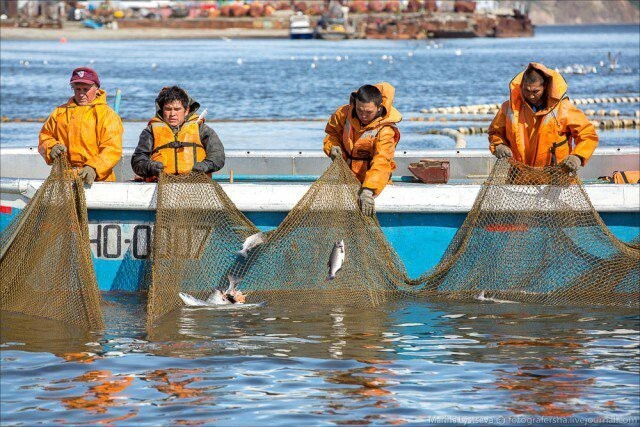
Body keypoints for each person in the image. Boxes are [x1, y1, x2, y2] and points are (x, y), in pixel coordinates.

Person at [488, 62, 598, 172]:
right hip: (520, 179)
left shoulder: (564, 108)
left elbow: (587, 135)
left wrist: (577, 157)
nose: (530, 95)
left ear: (545, 87)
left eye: (535, 91)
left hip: (556, 179)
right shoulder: (508, 108)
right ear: (521, 86)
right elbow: (495, 132)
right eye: (527, 90)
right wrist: (499, 145)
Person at [323, 82, 402, 217]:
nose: (363, 115)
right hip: (346, 178)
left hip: (374, 182)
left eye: (368, 112)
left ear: (379, 108)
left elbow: (382, 161)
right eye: (359, 110)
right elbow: (332, 134)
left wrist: (368, 190)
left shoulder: (386, 130)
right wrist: (332, 148)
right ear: (355, 104)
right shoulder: (343, 114)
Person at [38, 67, 123, 184]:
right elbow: (44, 138)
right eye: (77, 89)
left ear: (96, 89)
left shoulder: (108, 115)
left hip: (98, 180)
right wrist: (51, 148)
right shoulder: (59, 112)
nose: (81, 94)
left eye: (85, 89)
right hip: (64, 180)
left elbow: (112, 149)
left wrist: (94, 168)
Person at [131, 86, 225, 179]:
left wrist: (205, 165)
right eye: (168, 109)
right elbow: (138, 160)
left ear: (186, 110)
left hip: (197, 182)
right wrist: (150, 167)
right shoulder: (150, 131)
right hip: (159, 183)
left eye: (177, 109)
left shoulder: (202, 129)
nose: (172, 114)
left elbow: (218, 156)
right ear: (162, 110)